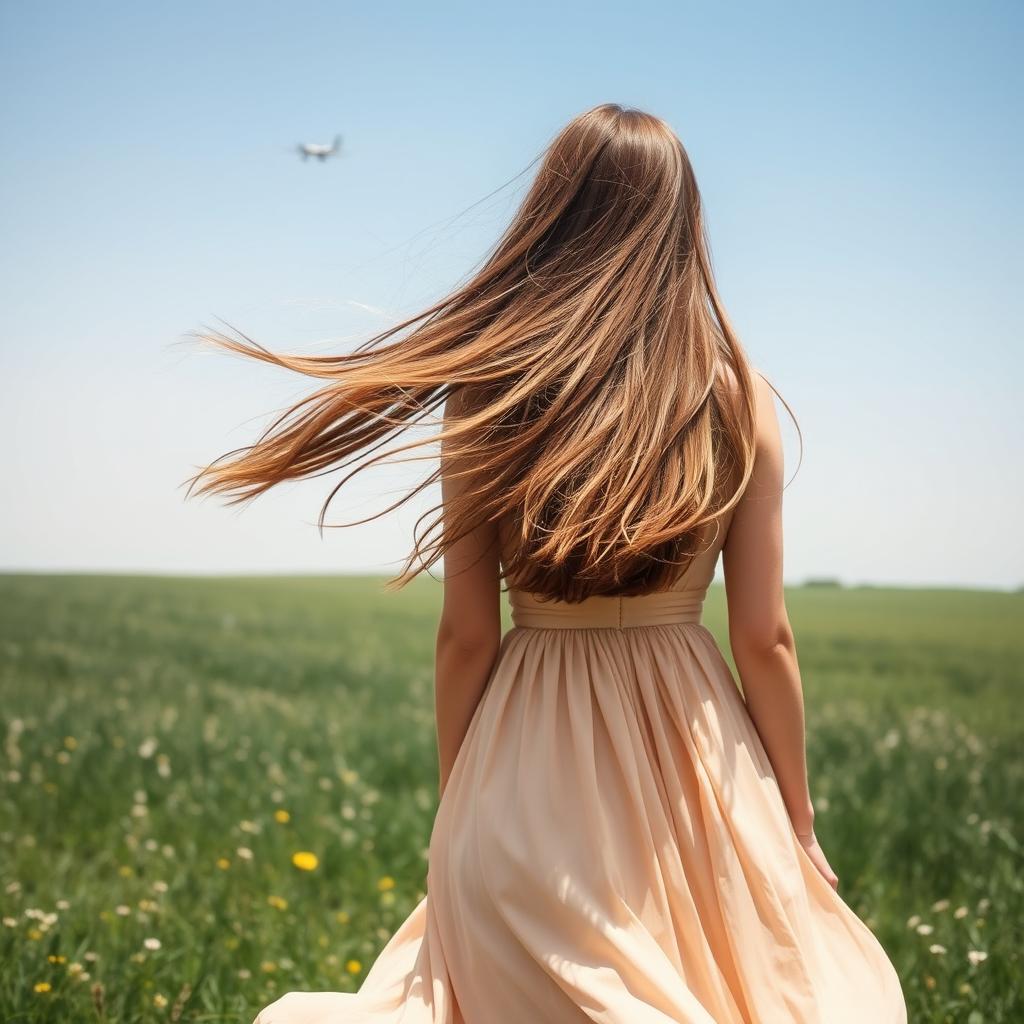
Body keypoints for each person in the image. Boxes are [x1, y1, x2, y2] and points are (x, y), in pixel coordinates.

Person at [188, 103, 907, 1023]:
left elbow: (464, 635)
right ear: (683, 224)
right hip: (695, 751)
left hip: (525, 746)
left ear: (553, 215)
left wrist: (461, 807)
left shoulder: (492, 389)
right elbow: (764, 637)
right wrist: (796, 818)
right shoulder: (737, 394)